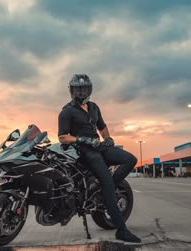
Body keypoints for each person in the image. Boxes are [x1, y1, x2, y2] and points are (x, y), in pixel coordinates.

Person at [58, 74, 141, 243]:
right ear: (71, 90)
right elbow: (62, 137)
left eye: (84, 89)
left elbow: (102, 127)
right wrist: (81, 139)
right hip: (85, 150)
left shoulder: (94, 107)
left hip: (99, 146)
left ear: (89, 90)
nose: (81, 92)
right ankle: (121, 230)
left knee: (130, 159)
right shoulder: (66, 111)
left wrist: (108, 138)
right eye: (77, 89)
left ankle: (107, 188)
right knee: (107, 183)